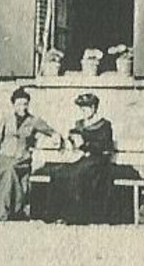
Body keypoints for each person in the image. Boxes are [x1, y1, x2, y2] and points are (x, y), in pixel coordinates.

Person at [0, 87, 56, 221]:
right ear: (13, 105)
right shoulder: (6, 119)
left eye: (25, 104)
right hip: (4, 157)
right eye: (19, 104)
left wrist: (56, 137)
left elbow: (50, 131)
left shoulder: (34, 121)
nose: (22, 107)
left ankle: (3, 210)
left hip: (21, 160)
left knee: (9, 172)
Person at [34, 93, 117, 225]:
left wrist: (85, 144)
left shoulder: (104, 125)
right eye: (82, 108)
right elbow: (72, 139)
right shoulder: (79, 124)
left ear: (94, 108)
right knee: (60, 172)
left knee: (77, 174)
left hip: (97, 161)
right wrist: (68, 139)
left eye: (87, 108)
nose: (84, 111)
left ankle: (76, 216)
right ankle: (57, 214)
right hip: (81, 159)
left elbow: (104, 146)